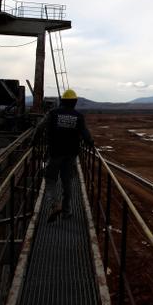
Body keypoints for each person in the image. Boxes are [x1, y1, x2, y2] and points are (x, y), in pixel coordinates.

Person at [42, 88, 94, 221]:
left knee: (50, 180)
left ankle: (55, 204)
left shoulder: (53, 113)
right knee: (67, 182)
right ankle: (66, 211)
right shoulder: (79, 116)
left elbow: (41, 129)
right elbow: (85, 134)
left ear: (62, 101)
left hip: (55, 153)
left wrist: (32, 143)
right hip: (71, 154)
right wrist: (91, 143)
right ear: (74, 102)